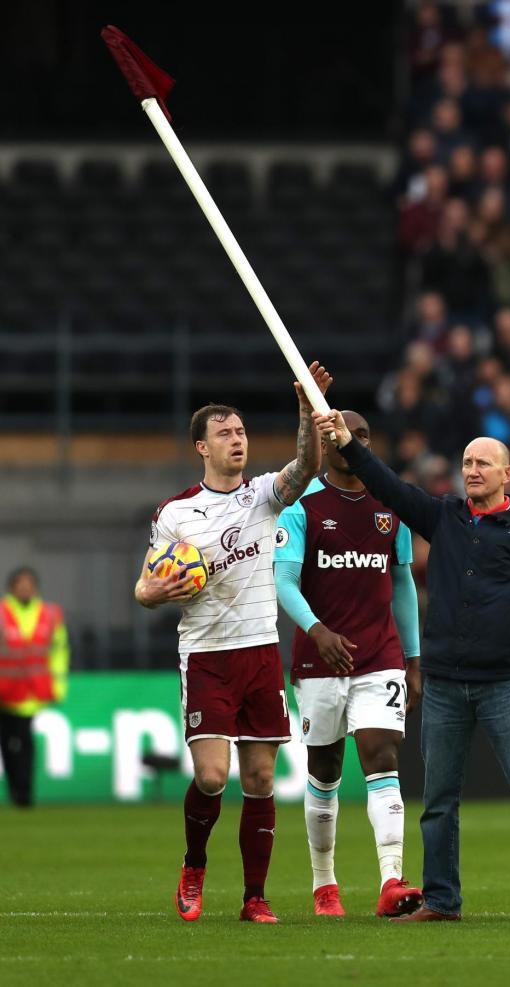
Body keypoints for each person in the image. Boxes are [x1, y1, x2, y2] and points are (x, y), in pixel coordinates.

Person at [314, 411, 510, 924]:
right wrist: (348, 443)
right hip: (444, 683)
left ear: (509, 474)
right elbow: (385, 484)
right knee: (438, 799)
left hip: (506, 680)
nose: (474, 470)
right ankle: (441, 901)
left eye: (485, 463)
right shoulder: (443, 516)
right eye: (467, 462)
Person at [135, 362, 331, 924]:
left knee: (262, 778)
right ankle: (194, 864)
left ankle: (255, 898)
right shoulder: (175, 514)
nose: (237, 440)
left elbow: (306, 467)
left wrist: (305, 411)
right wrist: (155, 590)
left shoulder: (264, 497)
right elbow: (145, 587)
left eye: (241, 432)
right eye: (225, 433)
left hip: (259, 650)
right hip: (206, 656)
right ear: (202, 446)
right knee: (212, 777)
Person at [273, 410, 424, 918]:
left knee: (381, 757)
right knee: (325, 769)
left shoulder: (390, 506)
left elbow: (401, 582)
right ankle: (324, 883)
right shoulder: (302, 507)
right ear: (326, 441)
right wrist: (316, 630)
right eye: (344, 434)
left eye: (362, 434)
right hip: (319, 660)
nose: (353, 441)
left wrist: (413, 656)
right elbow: (285, 582)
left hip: (378, 657)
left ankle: (391, 880)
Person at [0, 567, 68, 808]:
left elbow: (59, 650)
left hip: (30, 690)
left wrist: (57, 683)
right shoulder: (2, 612)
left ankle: (24, 793)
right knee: (8, 742)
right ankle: (16, 789)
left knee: (24, 740)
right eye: (21, 584)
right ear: (12, 587)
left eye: (29, 584)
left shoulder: (49, 613)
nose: (25, 589)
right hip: (5, 690)